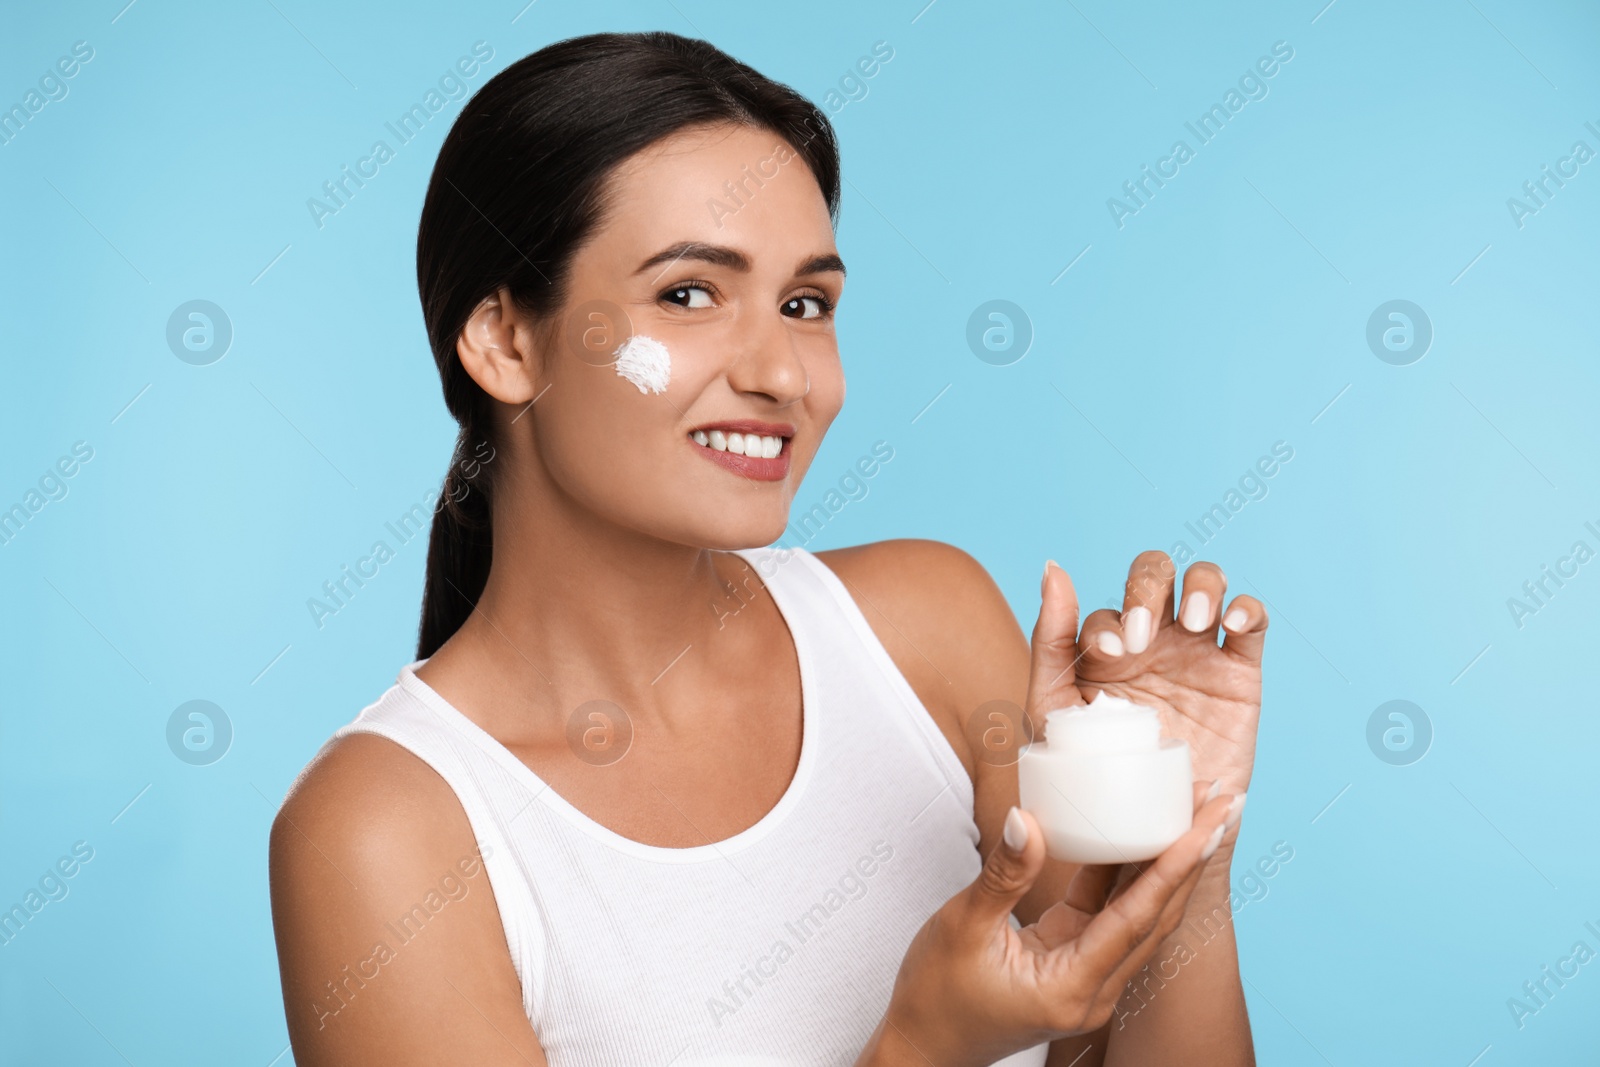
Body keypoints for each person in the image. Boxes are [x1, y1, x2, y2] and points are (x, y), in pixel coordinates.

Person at [268, 31, 1264, 1067]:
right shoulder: (385, 833)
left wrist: (1176, 841)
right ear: (507, 343)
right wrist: (916, 1048)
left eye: (805, 304)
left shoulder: (925, 629)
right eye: (689, 293)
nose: (783, 374)